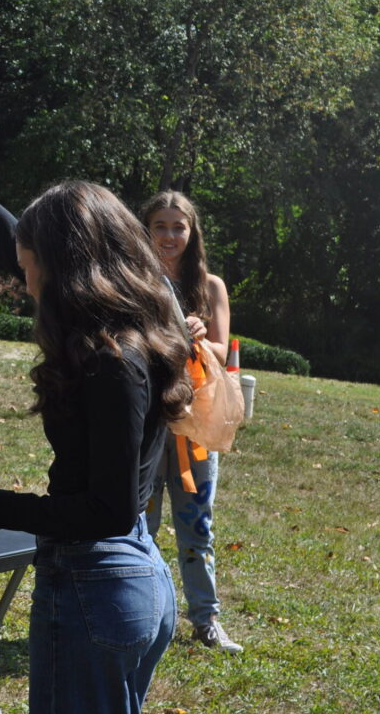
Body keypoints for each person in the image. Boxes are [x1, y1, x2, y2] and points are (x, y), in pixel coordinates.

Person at [0, 125, 186, 713]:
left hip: (97, 584)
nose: (24, 279)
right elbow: (9, 237)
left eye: (29, 264)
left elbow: (108, 511)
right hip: (128, 579)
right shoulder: (132, 324)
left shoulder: (112, 363)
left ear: (63, 266)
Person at [140, 191, 242, 653]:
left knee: (197, 527)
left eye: (178, 227)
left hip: (195, 422)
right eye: (159, 226)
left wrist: (198, 333)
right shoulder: (135, 277)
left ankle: (206, 620)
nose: (169, 235)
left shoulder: (210, 286)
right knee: (141, 523)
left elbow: (222, 349)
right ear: (146, 230)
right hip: (146, 418)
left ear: (192, 231)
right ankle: (144, 613)